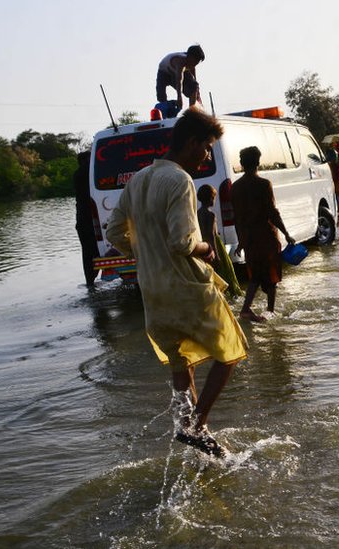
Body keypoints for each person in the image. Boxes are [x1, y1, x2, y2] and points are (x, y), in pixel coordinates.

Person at [106, 109, 247, 458]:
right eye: (207, 148)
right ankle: (195, 427)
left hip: (152, 291)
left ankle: (192, 434)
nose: (207, 156)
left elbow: (113, 232)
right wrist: (209, 251)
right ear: (191, 142)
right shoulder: (180, 180)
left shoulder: (137, 180)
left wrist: (144, 252)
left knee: (180, 361)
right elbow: (183, 243)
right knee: (230, 351)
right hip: (186, 285)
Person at [231, 146, 294, 323]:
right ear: (258, 162)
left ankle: (251, 309)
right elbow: (272, 213)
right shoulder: (263, 184)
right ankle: (268, 311)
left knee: (256, 275)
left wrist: (241, 241)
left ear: (242, 164)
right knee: (271, 275)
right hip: (265, 237)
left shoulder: (235, 188)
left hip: (249, 238)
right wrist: (286, 233)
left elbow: (237, 218)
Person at [73, 151, 99, 287]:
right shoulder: (84, 172)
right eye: (91, 158)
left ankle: (90, 283)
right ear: (85, 161)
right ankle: (91, 281)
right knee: (91, 253)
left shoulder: (78, 174)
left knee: (88, 254)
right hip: (88, 220)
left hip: (84, 221)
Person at [156, 45, 205, 109]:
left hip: (178, 72)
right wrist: (179, 97)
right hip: (164, 72)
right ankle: (166, 109)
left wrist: (197, 92)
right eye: (193, 63)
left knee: (194, 87)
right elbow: (179, 80)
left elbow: (193, 75)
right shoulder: (180, 62)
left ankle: (192, 110)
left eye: (196, 64)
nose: (193, 65)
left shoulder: (191, 63)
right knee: (161, 96)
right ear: (189, 57)